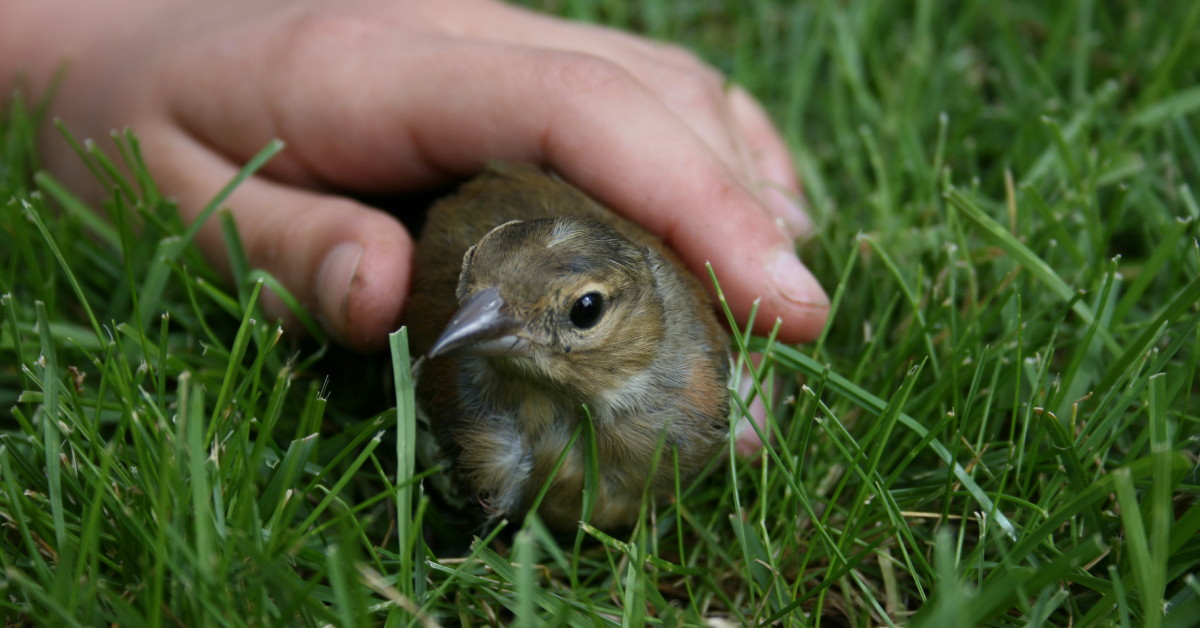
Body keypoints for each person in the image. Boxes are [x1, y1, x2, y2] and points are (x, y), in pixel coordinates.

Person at [2, 0, 830, 453]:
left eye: (582, 313)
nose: (482, 330)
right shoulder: (489, 440)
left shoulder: (699, 384)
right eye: (479, 302)